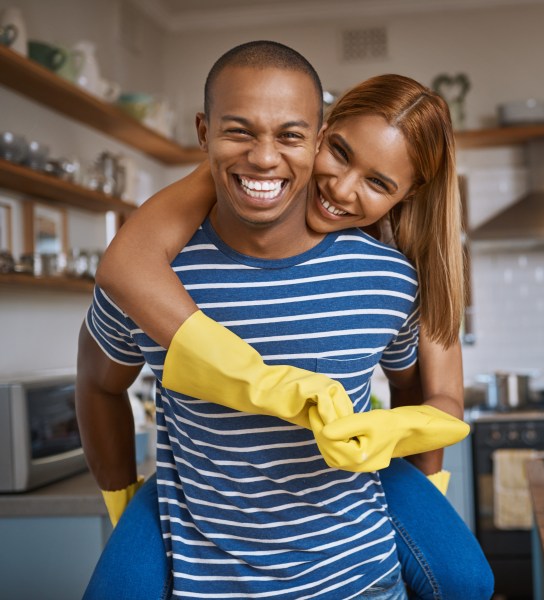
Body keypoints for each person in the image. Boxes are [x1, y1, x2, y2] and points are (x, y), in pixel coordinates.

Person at [78, 40, 491, 600]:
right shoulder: (151, 275)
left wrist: (409, 456)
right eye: (341, 155)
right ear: (328, 135)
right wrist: (124, 499)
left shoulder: (394, 279)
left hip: (356, 566)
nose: (341, 189)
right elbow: (101, 367)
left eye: (377, 183)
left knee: (468, 580)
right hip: (200, 551)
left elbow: (427, 393)